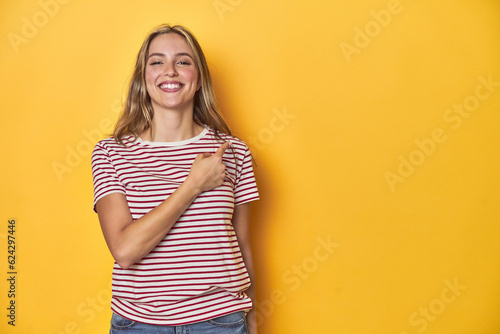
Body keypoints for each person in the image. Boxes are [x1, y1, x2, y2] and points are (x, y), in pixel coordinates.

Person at [91, 24, 259, 334]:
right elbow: (125, 251)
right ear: (144, 79)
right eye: (157, 62)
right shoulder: (111, 153)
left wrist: (255, 318)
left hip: (221, 321)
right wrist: (194, 184)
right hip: (139, 324)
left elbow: (243, 243)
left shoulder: (234, 151)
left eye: (183, 61)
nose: (170, 71)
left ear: (198, 80)